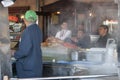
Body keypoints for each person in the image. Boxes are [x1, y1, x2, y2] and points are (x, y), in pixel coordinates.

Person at [14, 10, 43, 78]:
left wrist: (14, 53)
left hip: (27, 69)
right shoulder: (38, 29)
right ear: (35, 19)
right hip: (37, 66)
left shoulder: (27, 31)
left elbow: (24, 51)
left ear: (25, 20)